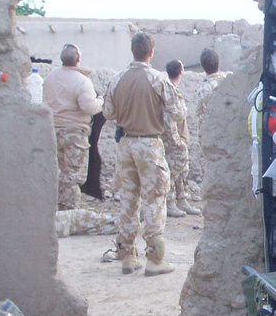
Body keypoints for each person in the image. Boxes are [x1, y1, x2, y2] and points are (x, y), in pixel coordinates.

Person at [103, 32, 180, 276]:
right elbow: (177, 111)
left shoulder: (117, 79)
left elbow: (107, 113)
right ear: (151, 52)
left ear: (133, 50)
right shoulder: (158, 79)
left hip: (125, 145)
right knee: (155, 200)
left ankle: (127, 256)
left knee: (128, 200)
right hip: (149, 145)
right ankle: (155, 259)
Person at [43, 43, 103, 210]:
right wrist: (101, 101)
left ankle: (56, 208)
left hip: (53, 130)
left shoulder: (50, 77)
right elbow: (89, 107)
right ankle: (69, 212)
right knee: (73, 174)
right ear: (79, 60)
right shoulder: (82, 81)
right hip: (74, 133)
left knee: (59, 172)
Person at [163, 59, 200, 218]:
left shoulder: (174, 90)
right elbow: (169, 119)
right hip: (173, 141)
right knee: (172, 170)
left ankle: (181, 199)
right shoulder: (168, 90)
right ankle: (169, 202)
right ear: (181, 71)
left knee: (182, 171)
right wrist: (175, 141)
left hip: (180, 138)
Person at [194, 48, 231, 117]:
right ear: (219, 62)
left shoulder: (203, 89)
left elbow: (201, 116)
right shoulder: (229, 79)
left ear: (201, 65)